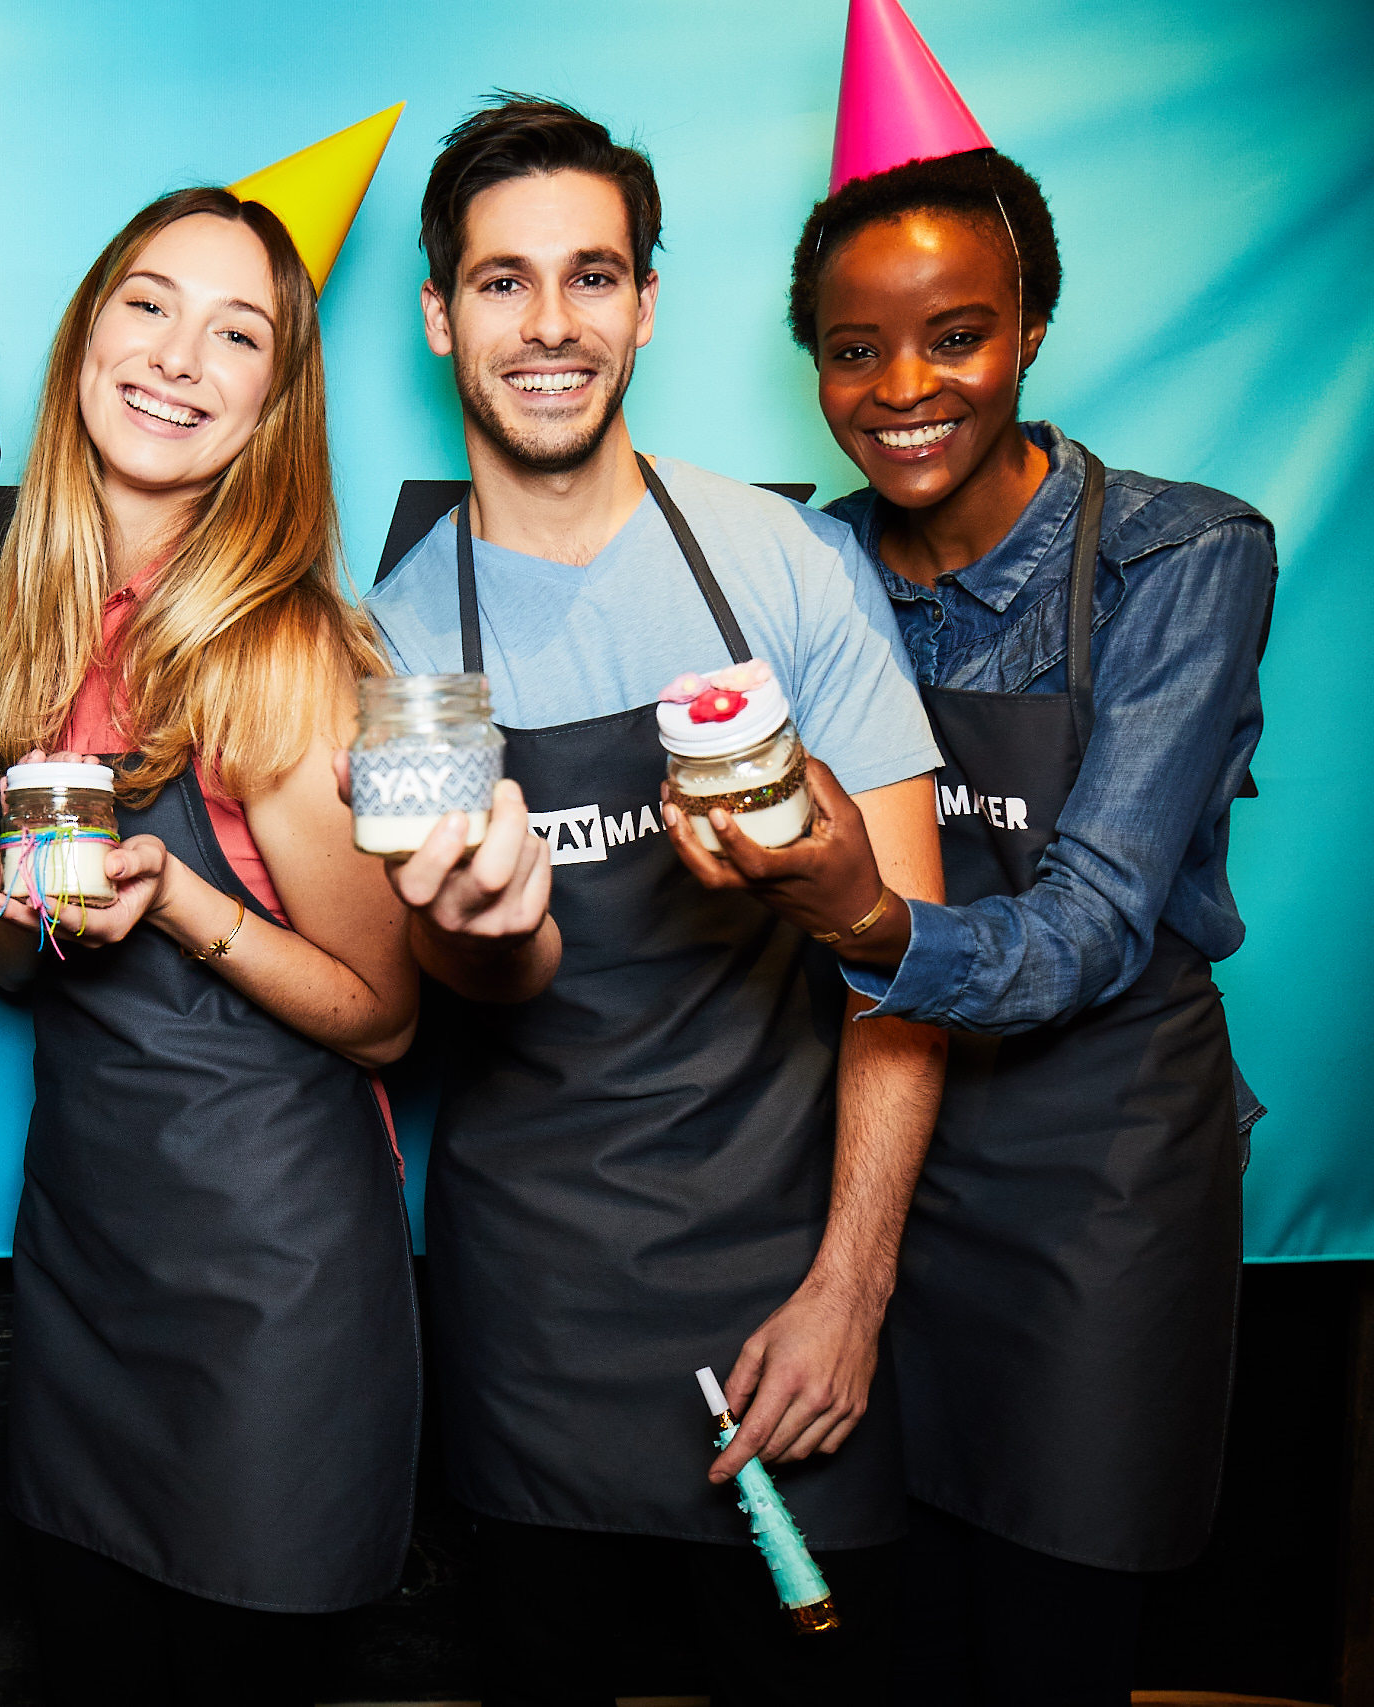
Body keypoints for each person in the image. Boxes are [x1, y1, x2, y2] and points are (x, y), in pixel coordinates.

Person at [661, 11, 1276, 1699]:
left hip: (1099, 1181)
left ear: (1033, 330)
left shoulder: (1181, 557)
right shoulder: (806, 561)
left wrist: (862, 907)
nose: (906, 389)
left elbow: (1085, 927)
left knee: (1050, 1632)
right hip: (865, 1146)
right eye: (856, 351)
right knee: (874, 1625)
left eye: (958, 336)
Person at [361, 97, 952, 1703]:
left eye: (592, 276)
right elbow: (446, 995)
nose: (550, 325)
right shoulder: (398, 646)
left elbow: (909, 962)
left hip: (790, 1281)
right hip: (531, 1309)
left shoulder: (783, 567)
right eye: (500, 283)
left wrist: (853, 1288)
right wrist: (482, 928)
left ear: (646, 302)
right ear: (438, 315)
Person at [0, 186, 423, 1707]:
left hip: (272, 1293)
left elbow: (384, 1020)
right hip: (87, 1258)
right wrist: (9, 916)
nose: (178, 357)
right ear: (88, 333)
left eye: (239, 335)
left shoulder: (282, 648)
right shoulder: (27, 618)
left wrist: (179, 898)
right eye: (151, 304)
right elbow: (15, 975)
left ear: (274, 405)